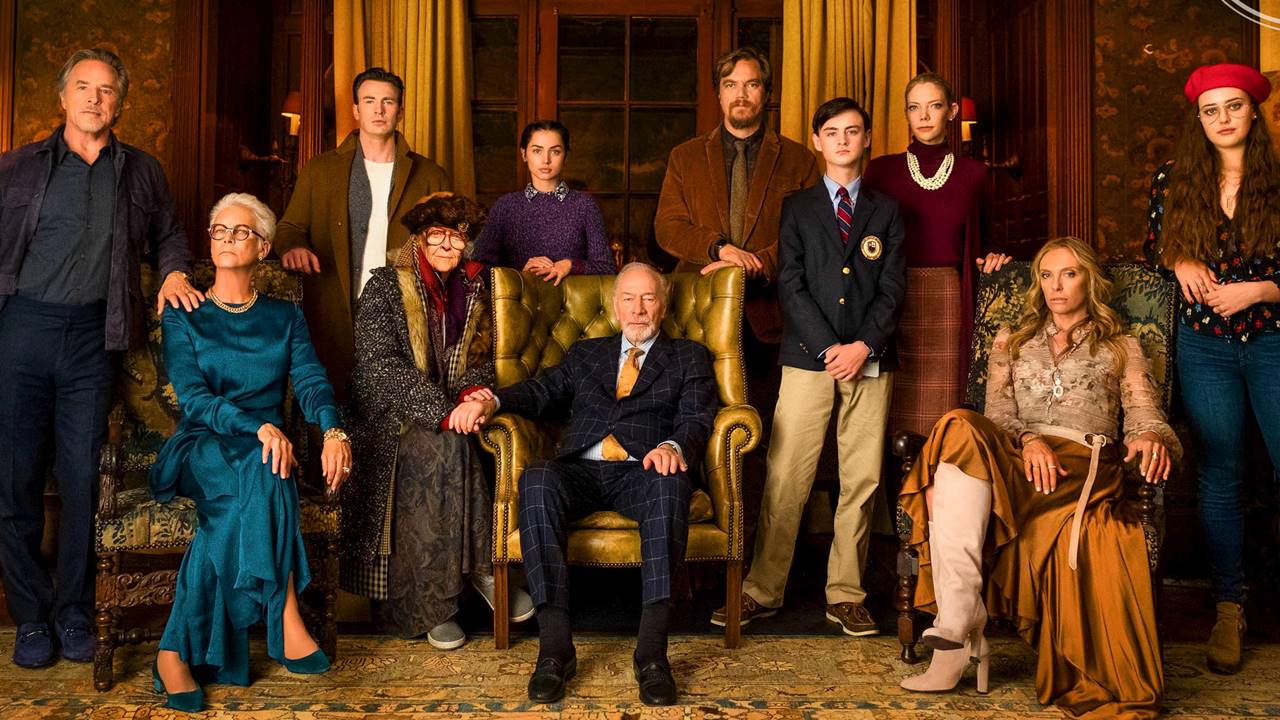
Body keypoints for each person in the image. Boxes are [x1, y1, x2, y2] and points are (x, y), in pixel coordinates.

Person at [898, 237, 1179, 719]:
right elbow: (998, 415)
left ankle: (957, 636)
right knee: (958, 427)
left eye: (1069, 274)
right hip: (1020, 456)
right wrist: (1029, 440)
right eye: (1046, 276)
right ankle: (958, 620)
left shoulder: (1120, 345)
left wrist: (1150, 436)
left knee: (949, 473)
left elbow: (1143, 412)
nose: (1056, 286)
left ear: (1089, 280)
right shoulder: (1012, 340)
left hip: (1081, 463)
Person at [0, 47, 199, 669]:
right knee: (15, 478)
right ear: (62, 97)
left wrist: (173, 271)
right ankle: (32, 618)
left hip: (94, 335)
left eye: (106, 89)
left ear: (121, 103)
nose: (94, 98)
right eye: (83, 87)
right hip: (21, 329)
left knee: (84, 478)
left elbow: (169, 233)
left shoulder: (141, 171)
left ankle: (74, 611)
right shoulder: (16, 168)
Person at [452, 262, 717, 706]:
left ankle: (652, 654)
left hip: (643, 469)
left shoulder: (689, 355)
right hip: (582, 469)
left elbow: (696, 417)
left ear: (663, 303)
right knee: (538, 478)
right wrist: (492, 400)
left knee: (672, 484)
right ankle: (555, 650)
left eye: (648, 298)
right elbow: (540, 391)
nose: (638, 309)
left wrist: (672, 446)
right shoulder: (586, 353)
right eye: (628, 299)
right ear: (615, 306)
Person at [149, 193, 352, 711]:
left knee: (261, 474)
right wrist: (256, 427)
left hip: (265, 448)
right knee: (267, 464)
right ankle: (285, 612)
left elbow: (311, 381)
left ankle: (173, 651)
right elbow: (194, 398)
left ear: (263, 248)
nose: (226, 238)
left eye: (240, 231)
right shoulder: (185, 313)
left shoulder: (285, 316)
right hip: (202, 443)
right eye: (219, 230)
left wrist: (333, 431)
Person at [712, 98, 905, 636]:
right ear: (818, 142)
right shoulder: (796, 207)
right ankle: (762, 588)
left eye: (853, 131)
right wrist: (828, 348)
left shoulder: (887, 211)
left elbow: (893, 289)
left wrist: (863, 346)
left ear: (867, 138)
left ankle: (846, 594)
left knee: (861, 479)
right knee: (785, 477)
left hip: (870, 358)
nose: (843, 140)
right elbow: (791, 286)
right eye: (832, 132)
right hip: (807, 357)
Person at [340, 192, 533, 648]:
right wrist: (444, 412)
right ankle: (473, 578)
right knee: (445, 445)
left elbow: (481, 361)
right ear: (420, 240)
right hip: (388, 415)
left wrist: (471, 398)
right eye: (437, 235)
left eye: (457, 236)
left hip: (446, 413)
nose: (448, 245)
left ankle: (464, 585)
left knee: (455, 442)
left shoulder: (475, 291)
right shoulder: (386, 286)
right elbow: (380, 366)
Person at [654, 46, 820, 548]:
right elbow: (668, 226)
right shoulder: (685, 157)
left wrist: (759, 262)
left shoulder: (799, 160)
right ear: (718, 94)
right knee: (696, 427)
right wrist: (720, 250)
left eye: (751, 84)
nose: (740, 94)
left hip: (770, 320)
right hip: (699, 318)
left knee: (767, 437)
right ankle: (701, 551)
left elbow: (811, 232)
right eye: (730, 85)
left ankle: (759, 554)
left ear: (766, 94)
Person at [1145, 62, 1280, 676]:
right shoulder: (1174, 179)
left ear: (1254, 111)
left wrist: (1262, 290)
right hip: (1204, 345)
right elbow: (1155, 247)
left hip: (1273, 339)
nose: (1223, 118)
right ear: (1198, 119)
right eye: (1211, 110)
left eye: (1234, 106)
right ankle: (1230, 606)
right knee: (1221, 471)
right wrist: (1178, 260)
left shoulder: (1277, 179)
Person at [274, 67, 450, 401]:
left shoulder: (431, 176)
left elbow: (450, 245)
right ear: (356, 110)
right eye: (369, 101)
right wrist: (294, 247)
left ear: (400, 111)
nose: (379, 110)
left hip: (405, 314)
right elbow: (289, 227)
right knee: (335, 402)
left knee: (396, 410)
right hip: (334, 308)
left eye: (388, 102)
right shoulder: (321, 169)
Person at [863, 73, 1011, 436]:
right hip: (891, 296)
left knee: (943, 411)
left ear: (952, 111)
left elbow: (988, 240)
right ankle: (894, 476)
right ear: (906, 114)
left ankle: (938, 472)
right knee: (887, 406)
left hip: (948, 296)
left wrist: (995, 257)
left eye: (934, 106)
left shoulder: (974, 173)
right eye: (915, 108)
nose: (924, 116)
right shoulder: (881, 170)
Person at [473, 120, 614, 282]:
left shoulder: (585, 205)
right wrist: (519, 273)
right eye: (537, 151)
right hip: (518, 297)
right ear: (524, 154)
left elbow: (607, 268)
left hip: (570, 298)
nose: (546, 160)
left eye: (555, 151)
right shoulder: (505, 206)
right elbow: (478, 268)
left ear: (565, 156)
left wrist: (570, 265)